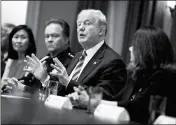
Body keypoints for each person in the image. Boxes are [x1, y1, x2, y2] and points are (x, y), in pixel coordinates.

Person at [24, 9, 127, 104]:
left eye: (87, 24)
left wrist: (68, 82)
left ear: (101, 31)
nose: (81, 28)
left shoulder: (113, 61)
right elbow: (61, 93)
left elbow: (102, 98)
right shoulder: (78, 56)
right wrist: (44, 78)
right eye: (79, 25)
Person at [114, 26, 176, 124]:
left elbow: (136, 107)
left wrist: (96, 102)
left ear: (146, 50)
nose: (130, 48)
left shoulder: (165, 77)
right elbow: (116, 98)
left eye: (135, 45)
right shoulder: (137, 73)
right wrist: (92, 97)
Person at [2, 19, 74, 94]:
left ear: (66, 39)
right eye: (47, 36)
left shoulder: (72, 62)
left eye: (55, 36)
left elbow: (58, 94)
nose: (49, 40)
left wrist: (24, 88)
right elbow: (27, 82)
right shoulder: (44, 60)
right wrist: (14, 84)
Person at [1, 25, 37, 89]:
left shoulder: (32, 62)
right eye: (16, 37)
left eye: (23, 37)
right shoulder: (10, 60)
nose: (19, 41)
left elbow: (31, 89)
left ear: (30, 42)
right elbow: (2, 84)